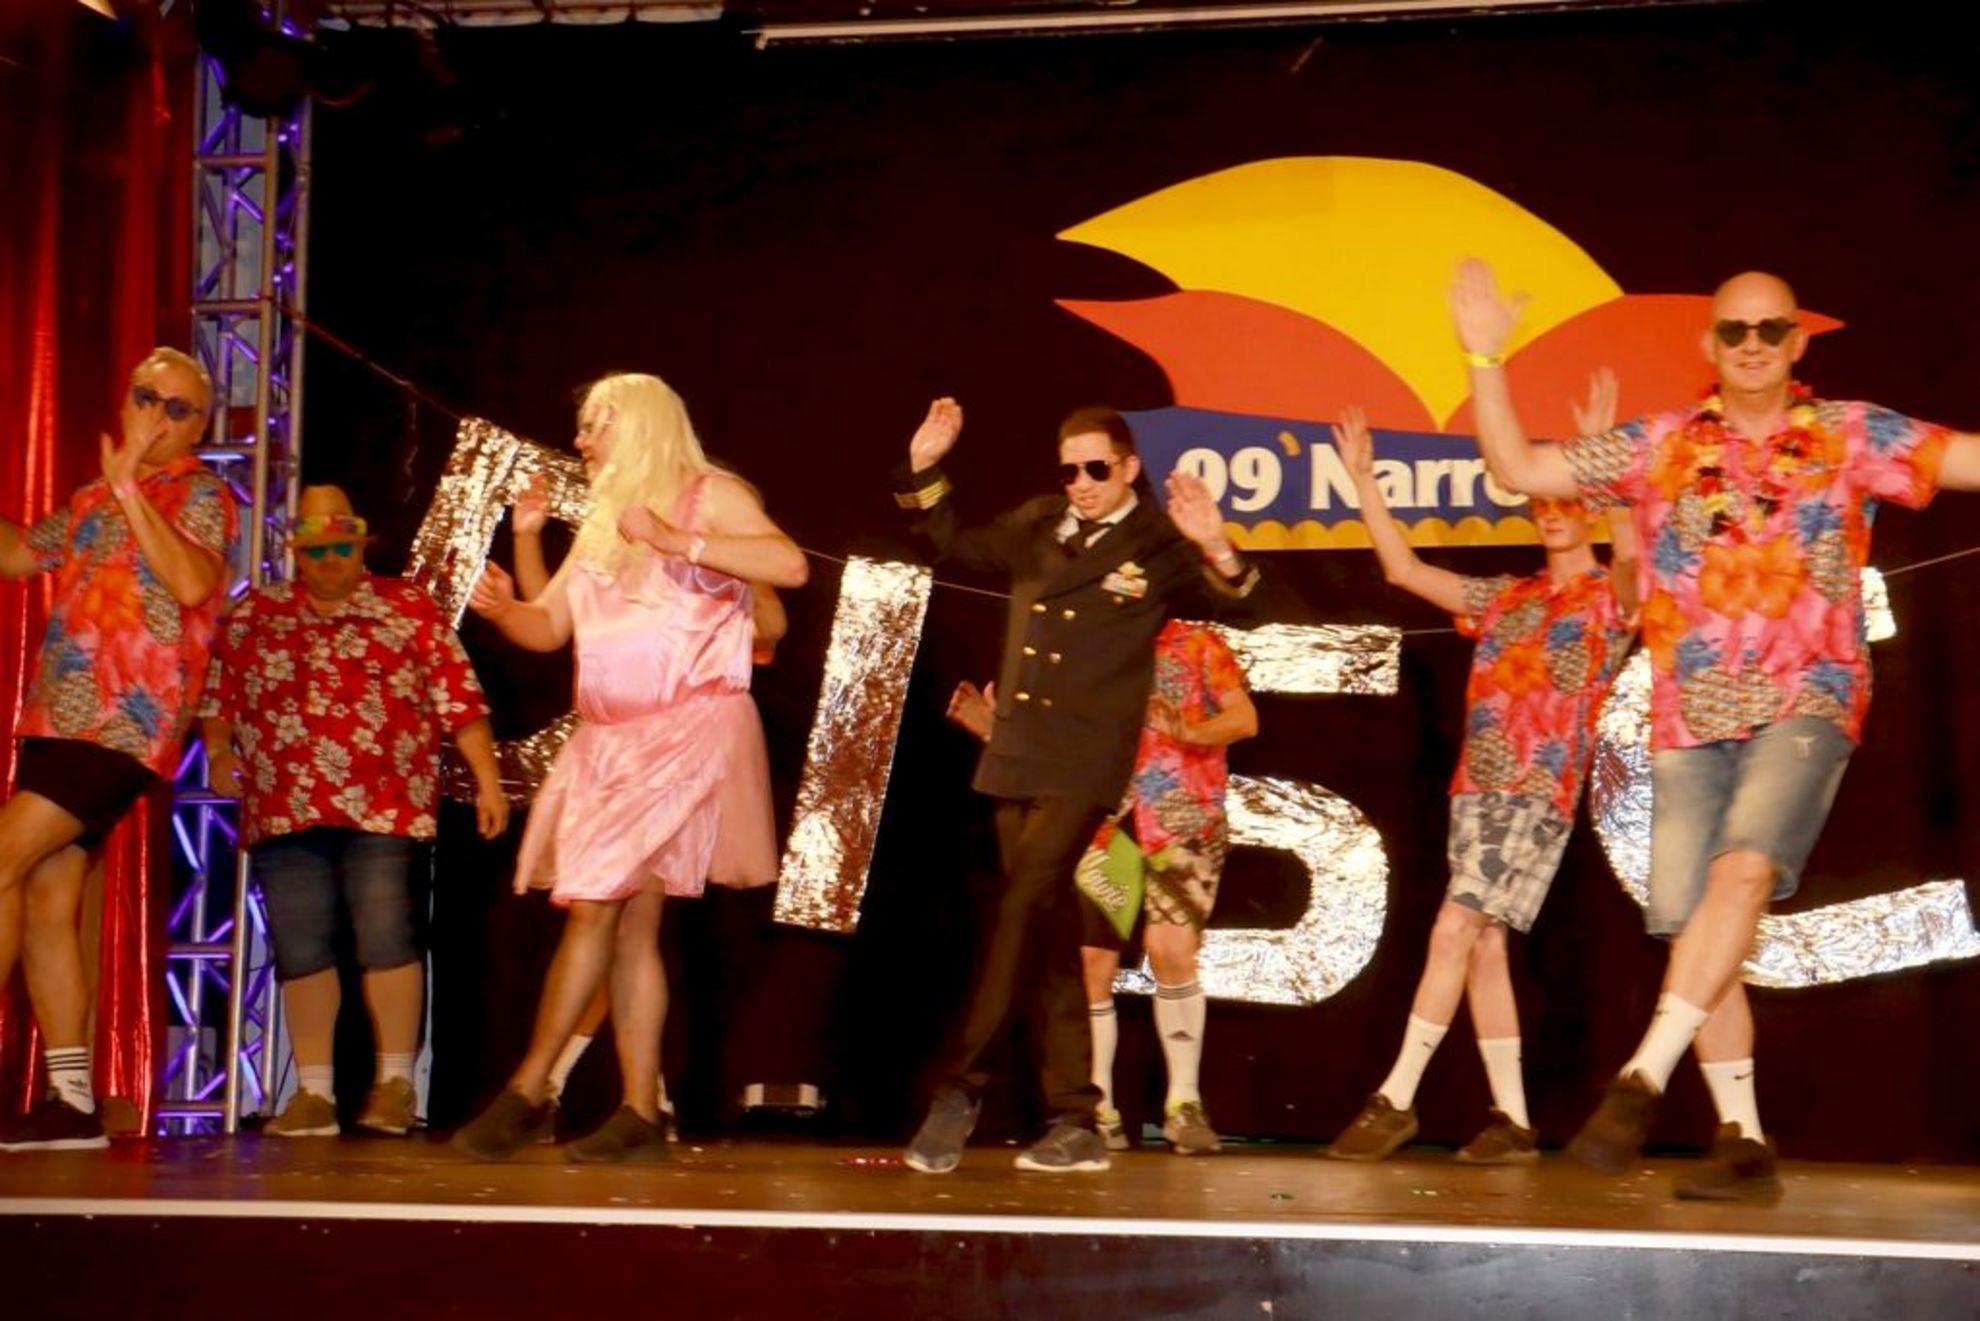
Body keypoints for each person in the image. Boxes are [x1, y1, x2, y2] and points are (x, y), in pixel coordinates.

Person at [1449, 258, 1980, 1199]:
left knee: (1743, 869)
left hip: (1808, 698)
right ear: (1710, 343)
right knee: (1697, 929)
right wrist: (1484, 356)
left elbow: (1968, 457)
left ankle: (1639, 1079)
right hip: (1687, 716)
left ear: (1797, 342)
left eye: (1770, 329)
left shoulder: (1850, 433)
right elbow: (1519, 469)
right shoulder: (1659, 444)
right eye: (1735, 329)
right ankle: (1744, 1141)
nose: (1752, 344)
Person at [896, 397, 1262, 1174]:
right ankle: (1076, 1117)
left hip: (1087, 761)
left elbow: (1245, 602)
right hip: (1018, 751)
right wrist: (925, 468)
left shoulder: (1156, 539)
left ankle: (960, 1087)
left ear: (1129, 467)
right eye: (1071, 470)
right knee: (1050, 932)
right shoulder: (1037, 523)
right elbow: (953, 540)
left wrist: (1218, 546)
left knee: (1021, 902)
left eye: (1098, 467)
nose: (1083, 483)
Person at [450, 372, 805, 1163]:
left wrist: (679, 541)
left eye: (594, 423)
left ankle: (528, 1089)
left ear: (639, 422)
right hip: (611, 743)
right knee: (631, 922)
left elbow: (789, 566)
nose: (580, 440)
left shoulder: (706, 494)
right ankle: (642, 1108)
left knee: (592, 905)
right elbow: (549, 628)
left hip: (683, 730)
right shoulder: (606, 519)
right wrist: (507, 602)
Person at [1323, 385, 1637, 1164]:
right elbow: (1403, 569)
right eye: (1542, 500)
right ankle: (1513, 1120)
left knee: (1454, 926)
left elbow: (1635, 562)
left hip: (1536, 792)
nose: (1552, 511)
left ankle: (1396, 1096)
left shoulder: (1608, 599)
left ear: (1590, 507)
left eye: (1567, 499)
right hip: (1476, 789)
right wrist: (1362, 479)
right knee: (1483, 942)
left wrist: (1605, 470)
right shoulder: (1509, 597)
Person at [201, 484, 509, 1138]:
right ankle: (314, 1093)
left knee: (385, 932)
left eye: (340, 548)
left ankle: (395, 1084)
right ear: (297, 552)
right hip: (285, 804)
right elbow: (218, 697)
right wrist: (221, 751)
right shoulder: (257, 613)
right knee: (301, 944)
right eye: (316, 550)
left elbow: (459, 696)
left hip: (383, 804)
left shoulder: (404, 606)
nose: (329, 560)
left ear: (360, 548)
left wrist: (487, 780)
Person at [0, 347, 236, 1151]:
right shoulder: (91, 496)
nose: (157, 417)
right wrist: (116, 486)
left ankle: (68, 1097)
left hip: (124, 720)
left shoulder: (201, 494)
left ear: (199, 426)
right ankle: (72, 1100)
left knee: (3, 857)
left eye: (178, 408)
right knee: (45, 893)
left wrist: (133, 486)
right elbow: (19, 554)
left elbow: (194, 583)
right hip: (56, 717)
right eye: (147, 398)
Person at [508, 472, 787, 1143]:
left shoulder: (716, 562)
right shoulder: (627, 549)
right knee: (618, 926)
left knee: (610, 918)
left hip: (677, 757)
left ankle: (548, 1088)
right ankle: (631, 1098)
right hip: (616, 754)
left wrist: (721, 561)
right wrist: (525, 544)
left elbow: (772, 623)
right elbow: (555, 614)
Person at [947, 618, 1257, 1158]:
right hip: (1102, 819)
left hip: (1183, 815)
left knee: (1171, 949)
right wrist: (996, 732)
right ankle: (1097, 1110)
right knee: (1090, 962)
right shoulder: (1085, 644)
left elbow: (1244, 719)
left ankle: (1184, 1105)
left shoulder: (1195, 643)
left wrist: (1187, 730)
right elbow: (1053, 739)